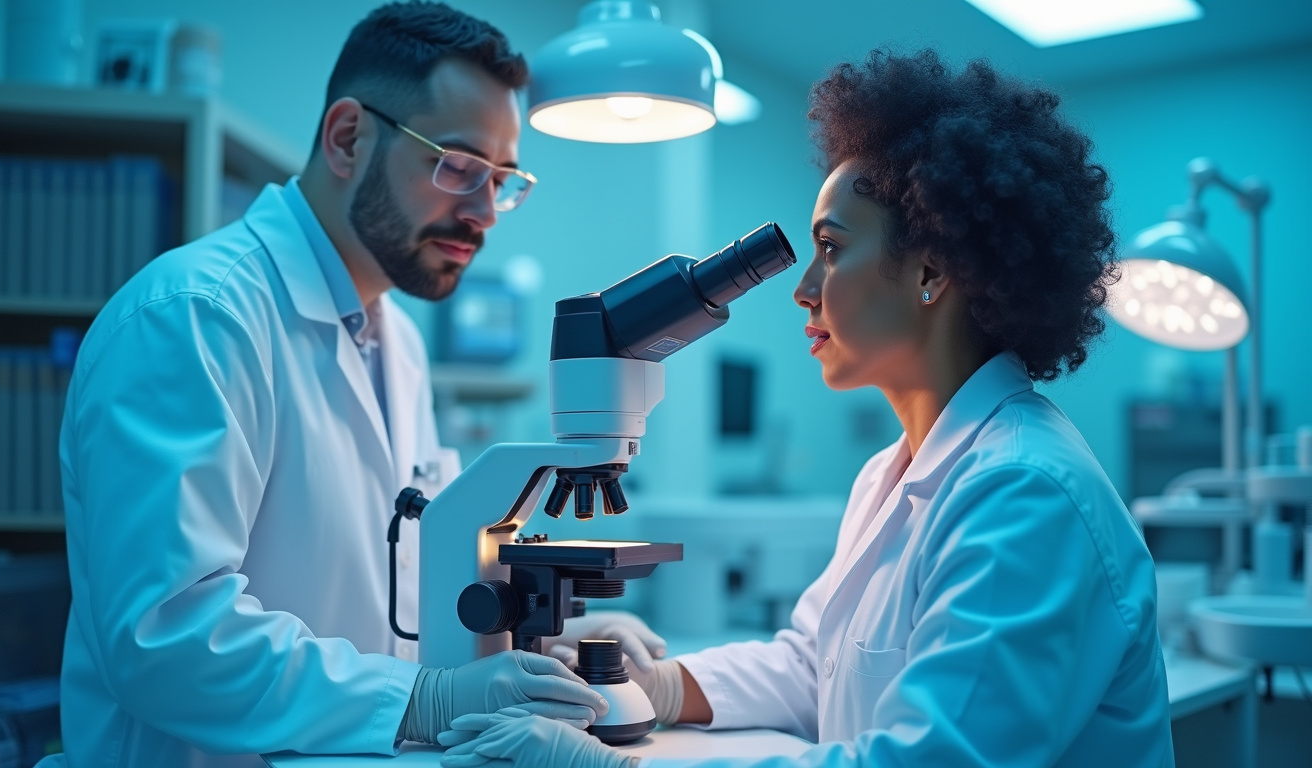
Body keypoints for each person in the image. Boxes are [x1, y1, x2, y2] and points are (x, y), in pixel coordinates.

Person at [435, 48, 1176, 768]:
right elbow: (811, 665)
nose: (804, 286)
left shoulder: (1025, 493)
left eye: (831, 247)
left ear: (931, 271)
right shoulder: (895, 472)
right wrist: (662, 685)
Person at [43, 3, 665, 767]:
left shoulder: (394, 339)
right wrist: (424, 700)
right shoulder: (194, 318)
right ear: (347, 138)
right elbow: (166, 636)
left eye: (502, 182)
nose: (483, 214)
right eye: (460, 167)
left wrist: (551, 635)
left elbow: (415, 575)